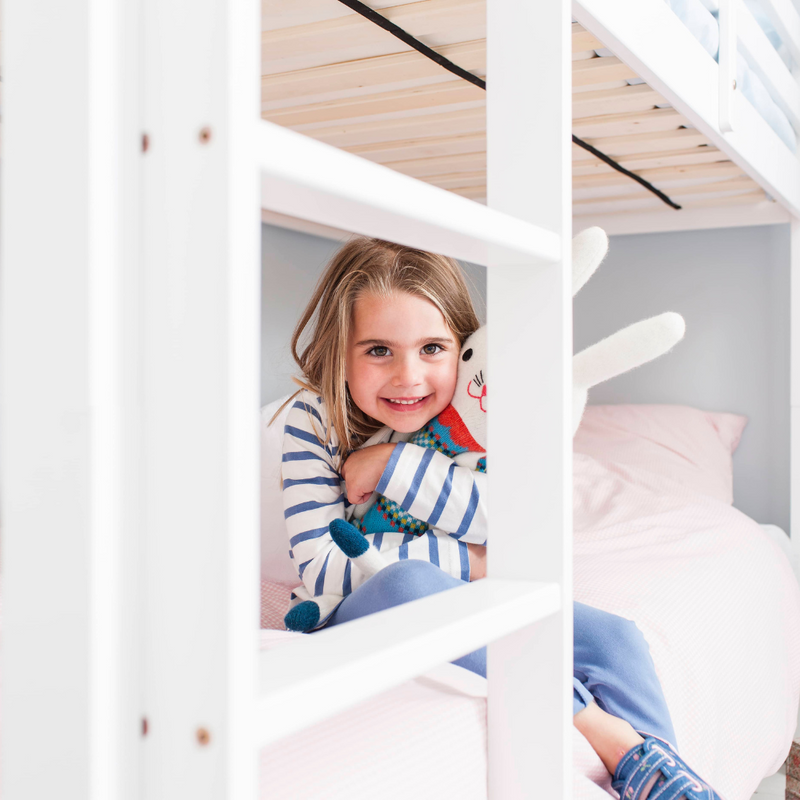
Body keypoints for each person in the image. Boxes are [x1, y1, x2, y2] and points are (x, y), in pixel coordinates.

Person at [279, 236, 721, 800]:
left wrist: (393, 463)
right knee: (409, 581)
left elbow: (504, 521)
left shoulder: (483, 409)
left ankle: (663, 779)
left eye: (433, 348)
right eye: (378, 350)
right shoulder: (313, 419)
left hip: (472, 603)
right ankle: (601, 732)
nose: (409, 376)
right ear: (341, 351)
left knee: (615, 637)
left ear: (465, 348)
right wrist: (474, 563)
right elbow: (326, 571)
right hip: (361, 609)